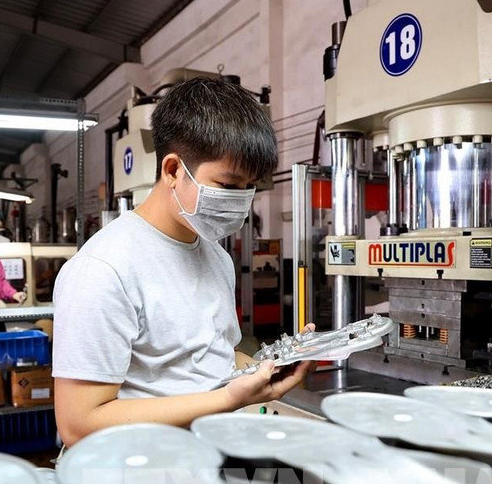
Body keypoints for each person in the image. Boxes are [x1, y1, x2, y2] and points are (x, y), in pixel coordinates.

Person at [52, 78, 316, 447]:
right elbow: (78, 425)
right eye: (228, 185)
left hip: (204, 457)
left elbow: (214, 356)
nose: (241, 200)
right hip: (135, 469)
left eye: (249, 187)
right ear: (173, 170)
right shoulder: (104, 268)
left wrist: (270, 366)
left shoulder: (217, 257)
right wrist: (227, 399)